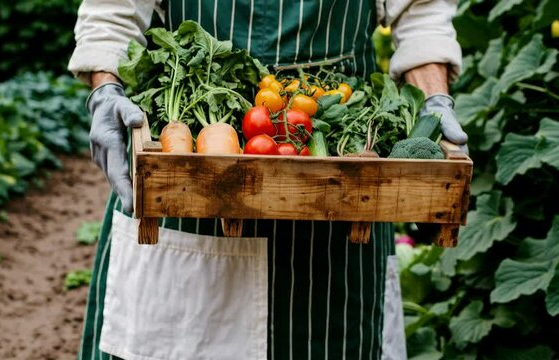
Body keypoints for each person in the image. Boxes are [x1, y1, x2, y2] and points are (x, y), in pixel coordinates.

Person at [68, 1, 467, 359]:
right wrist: (105, 91)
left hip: (339, 171)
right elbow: (113, 11)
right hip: (188, 165)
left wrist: (433, 98)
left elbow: (420, 10)